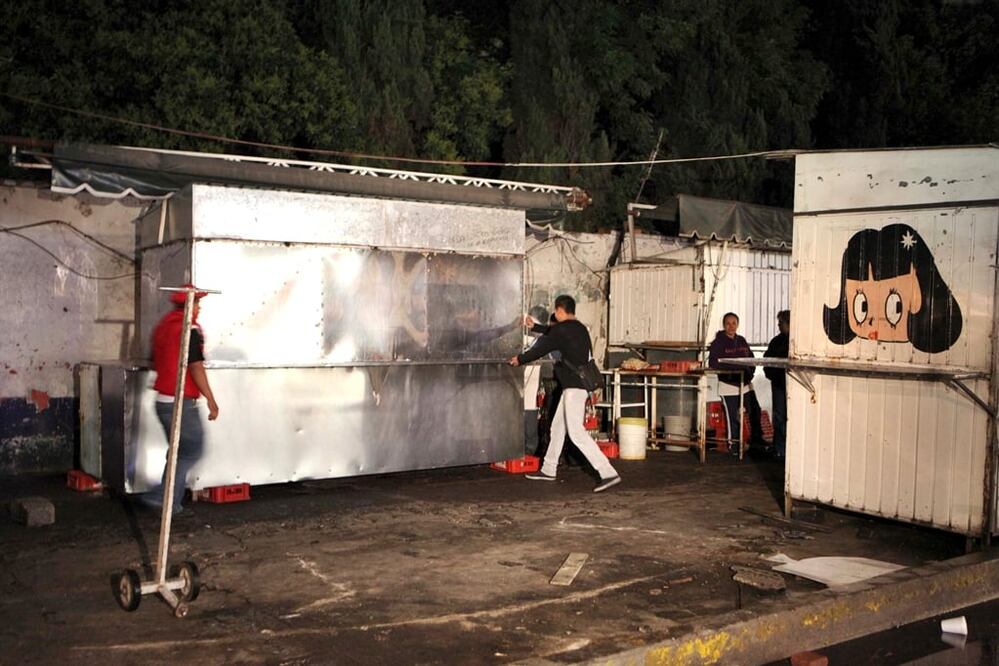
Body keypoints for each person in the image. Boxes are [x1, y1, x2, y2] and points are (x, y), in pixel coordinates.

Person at [510, 295, 620, 493]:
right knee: (558, 428)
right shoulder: (580, 328)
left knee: (576, 433)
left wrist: (520, 359)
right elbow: (554, 333)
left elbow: (543, 346)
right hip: (579, 386)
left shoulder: (561, 330)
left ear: (560, 311)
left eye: (556, 311)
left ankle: (608, 472)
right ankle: (549, 469)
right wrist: (535, 326)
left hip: (573, 389)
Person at [142, 285, 220, 514]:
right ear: (189, 306)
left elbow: (155, 360)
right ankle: (161, 497)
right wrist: (211, 399)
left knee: (179, 451)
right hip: (180, 402)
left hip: (162, 401)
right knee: (191, 450)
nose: (199, 309)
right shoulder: (189, 329)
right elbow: (195, 366)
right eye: (197, 304)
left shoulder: (163, 327)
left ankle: (169, 501)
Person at [708, 312, 764, 456]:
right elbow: (713, 363)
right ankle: (734, 446)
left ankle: (756, 443)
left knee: (755, 413)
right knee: (732, 418)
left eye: (734, 323)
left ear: (737, 325)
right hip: (729, 387)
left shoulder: (742, 341)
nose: (731, 326)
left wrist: (749, 373)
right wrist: (732, 370)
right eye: (728, 323)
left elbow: (751, 359)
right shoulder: (717, 343)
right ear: (724, 325)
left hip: (746, 385)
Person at [763, 310, 790, 459]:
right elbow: (767, 360)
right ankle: (780, 449)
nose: (779, 325)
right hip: (780, 383)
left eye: (781, 323)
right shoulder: (776, 341)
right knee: (780, 417)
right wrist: (772, 375)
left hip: (785, 383)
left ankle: (783, 449)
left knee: (782, 416)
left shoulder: (793, 342)